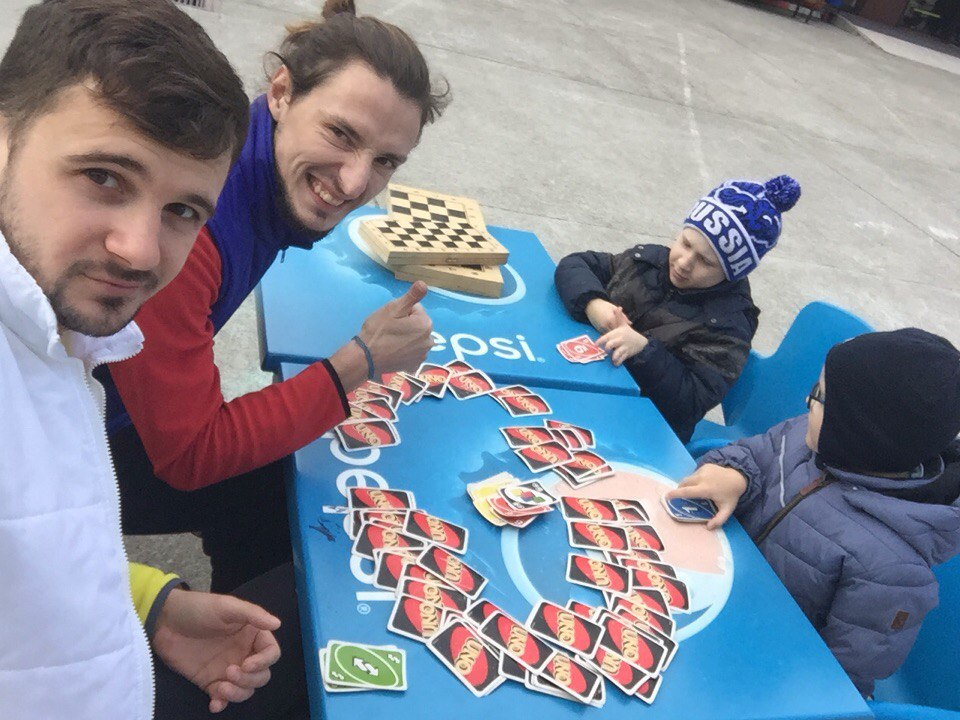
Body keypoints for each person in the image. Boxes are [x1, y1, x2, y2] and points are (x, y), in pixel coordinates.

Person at [0, 1, 305, 718]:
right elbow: (193, 453)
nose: (139, 251)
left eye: (183, 212)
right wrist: (353, 368)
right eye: (104, 177)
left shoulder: (50, 334)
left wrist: (146, 601)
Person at [97, 0, 448, 593]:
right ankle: (237, 638)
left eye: (385, 160)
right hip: (53, 458)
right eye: (341, 133)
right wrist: (361, 360)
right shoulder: (192, 227)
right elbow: (191, 456)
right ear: (281, 92)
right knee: (280, 488)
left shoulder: (256, 163)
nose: (355, 182)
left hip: (99, 408)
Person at [668, 329, 960, 696]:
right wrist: (734, 473)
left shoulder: (892, 570)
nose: (807, 401)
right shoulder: (810, 437)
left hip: (759, 664)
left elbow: (838, 682)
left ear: (861, 429)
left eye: (820, 396)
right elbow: (756, 451)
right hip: (711, 584)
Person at [554, 175, 800, 443]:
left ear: (732, 273)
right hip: (588, 384)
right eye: (686, 243)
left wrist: (644, 351)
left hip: (644, 428)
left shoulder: (729, 326)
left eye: (705, 262)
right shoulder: (646, 261)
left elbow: (691, 402)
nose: (684, 262)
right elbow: (575, 264)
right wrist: (594, 303)